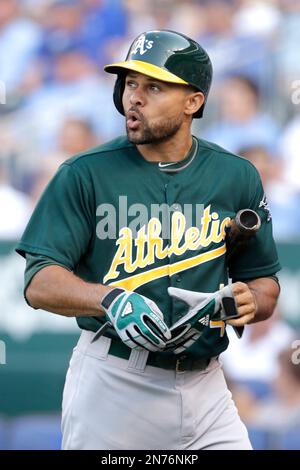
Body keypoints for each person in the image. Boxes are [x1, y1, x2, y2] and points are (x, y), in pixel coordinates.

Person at [16, 30, 281, 450]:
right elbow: (38, 281)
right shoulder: (84, 173)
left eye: (153, 86)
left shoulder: (236, 175)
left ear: (194, 101)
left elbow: (265, 284)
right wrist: (109, 299)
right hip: (114, 381)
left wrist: (248, 301)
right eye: (130, 84)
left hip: (207, 384)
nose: (133, 97)